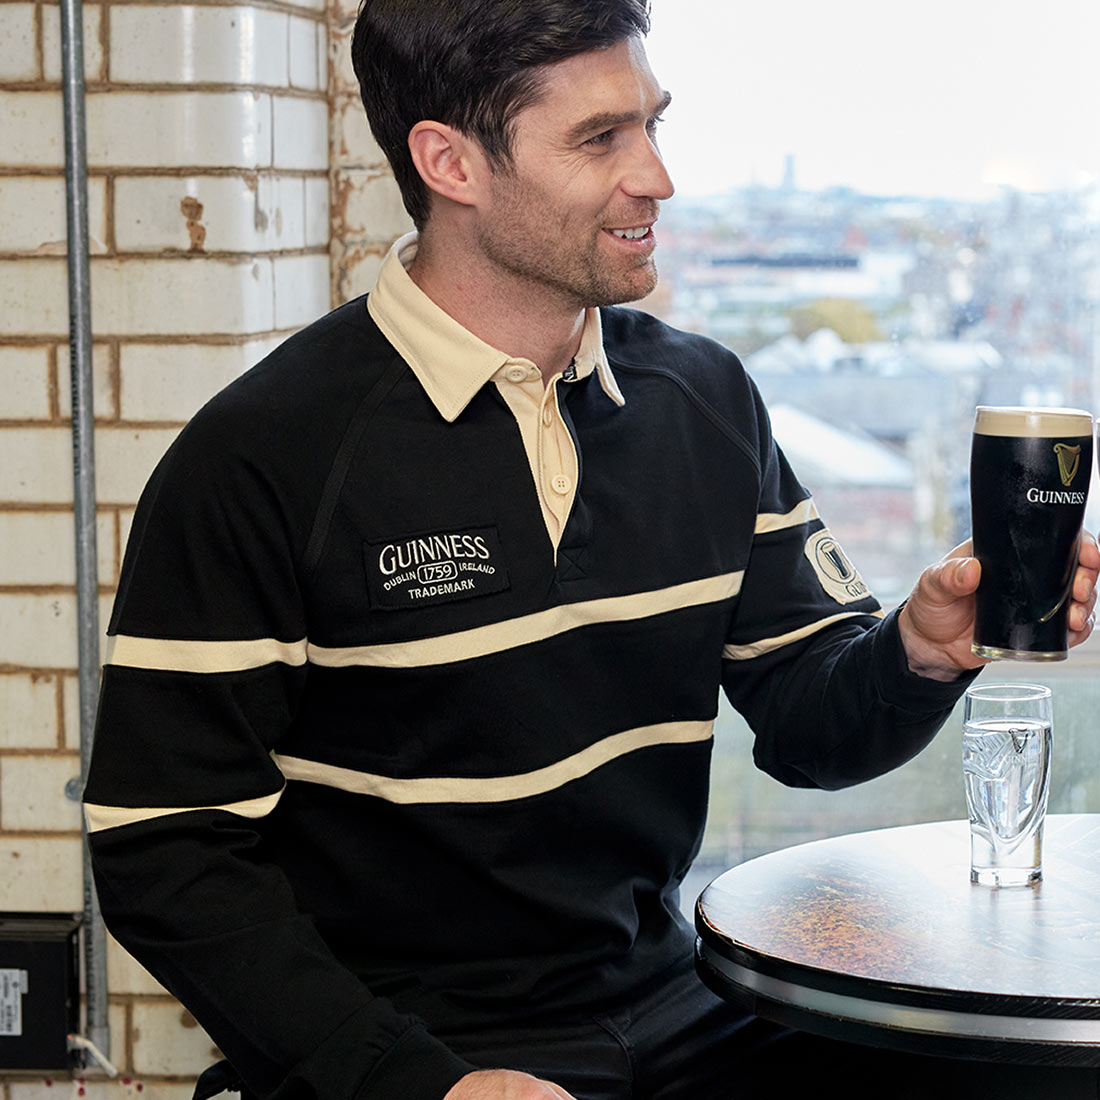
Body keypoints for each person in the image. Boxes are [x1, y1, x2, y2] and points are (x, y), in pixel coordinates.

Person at [83, 2, 1099, 1098]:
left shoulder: (704, 400)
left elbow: (811, 727)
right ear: (449, 162)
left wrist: (919, 646)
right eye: (599, 138)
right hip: (412, 1044)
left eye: (653, 125)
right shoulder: (263, 454)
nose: (656, 176)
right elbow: (166, 848)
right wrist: (417, 1081)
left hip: (678, 1003)